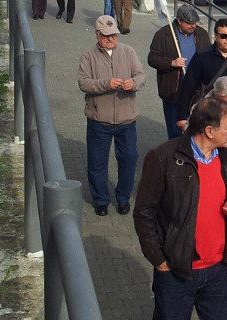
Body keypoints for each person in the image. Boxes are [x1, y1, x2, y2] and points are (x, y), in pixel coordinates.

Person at [133, 98, 227, 319]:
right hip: (176, 272)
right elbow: (144, 212)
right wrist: (158, 259)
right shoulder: (163, 157)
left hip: (217, 271)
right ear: (209, 130)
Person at [77, 15, 145, 217]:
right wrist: (105, 84)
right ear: (97, 35)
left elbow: (141, 76)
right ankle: (101, 200)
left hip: (127, 119)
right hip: (99, 120)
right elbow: (83, 83)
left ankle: (123, 198)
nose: (110, 39)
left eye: (113, 35)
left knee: (129, 159)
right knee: (97, 163)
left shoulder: (128, 51)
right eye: (106, 36)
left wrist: (134, 83)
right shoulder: (88, 56)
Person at [177, 18, 227, 132]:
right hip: (210, 114)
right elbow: (187, 87)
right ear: (216, 36)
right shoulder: (202, 56)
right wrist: (182, 116)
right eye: (224, 36)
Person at [148, 5, 211, 140]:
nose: (193, 26)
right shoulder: (164, 34)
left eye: (195, 22)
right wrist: (172, 62)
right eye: (189, 23)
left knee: (197, 129)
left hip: (197, 91)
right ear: (179, 21)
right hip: (174, 91)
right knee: (175, 131)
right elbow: (152, 59)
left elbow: (209, 55)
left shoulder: (201, 34)